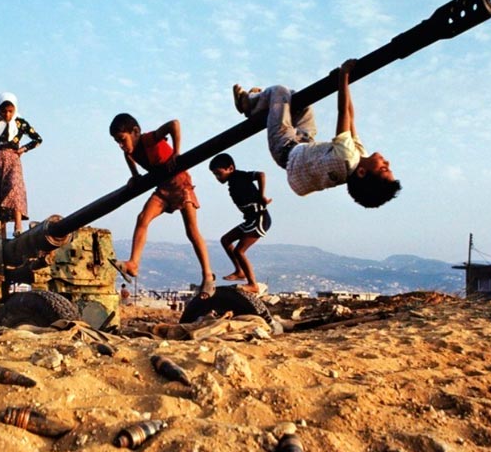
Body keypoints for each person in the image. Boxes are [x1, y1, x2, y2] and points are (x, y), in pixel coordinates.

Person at [232, 59, 401, 208]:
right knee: (300, 103)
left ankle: (250, 102)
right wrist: (344, 82)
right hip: (304, 142)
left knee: (280, 92)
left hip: (284, 147)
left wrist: (343, 77)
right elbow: (351, 119)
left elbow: (343, 112)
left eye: (384, 168)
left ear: (362, 172)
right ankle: (259, 103)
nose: (386, 161)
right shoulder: (359, 156)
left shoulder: (348, 157)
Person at [108, 113, 215, 299]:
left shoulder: (150, 138)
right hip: (163, 188)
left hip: (180, 184)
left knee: (191, 230)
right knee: (143, 218)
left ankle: (207, 275)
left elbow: (174, 124)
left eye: (122, 139)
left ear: (135, 132)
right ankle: (133, 263)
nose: (121, 145)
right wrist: (134, 176)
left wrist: (176, 152)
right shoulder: (130, 151)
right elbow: (129, 156)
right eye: (117, 141)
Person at [0, 92, 43, 236]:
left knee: (14, 188)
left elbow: (38, 139)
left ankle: (18, 227)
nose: (7, 115)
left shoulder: (20, 123)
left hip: (13, 159)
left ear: (15, 109)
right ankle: (1, 234)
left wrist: (24, 149)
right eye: (4, 111)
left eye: (10, 111)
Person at [209, 153, 271, 294]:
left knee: (239, 251)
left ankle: (252, 284)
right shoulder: (233, 181)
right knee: (225, 240)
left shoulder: (239, 176)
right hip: (250, 219)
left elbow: (261, 174)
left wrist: (261, 195)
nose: (218, 178)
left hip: (259, 218)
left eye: (219, 174)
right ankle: (240, 271)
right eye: (215, 175)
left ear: (230, 168)